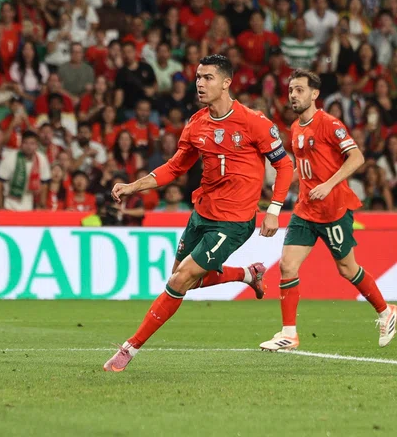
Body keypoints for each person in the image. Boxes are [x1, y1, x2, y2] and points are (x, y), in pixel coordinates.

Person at [104, 54, 294, 372]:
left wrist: (273, 210)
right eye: (198, 77)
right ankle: (248, 274)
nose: (200, 83)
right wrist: (133, 186)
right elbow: (175, 167)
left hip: (233, 222)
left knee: (180, 279)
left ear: (226, 82)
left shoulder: (254, 122)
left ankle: (128, 350)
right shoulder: (196, 123)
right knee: (184, 281)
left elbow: (284, 165)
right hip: (201, 214)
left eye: (207, 77)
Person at [259, 70, 397, 351]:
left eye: (299, 90)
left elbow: (356, 156)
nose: (293, 95)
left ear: (314, 94)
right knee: (287, 265)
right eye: (291, 90)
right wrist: (280, 190)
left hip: (333, 210)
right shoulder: (296, 128)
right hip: (305, 209)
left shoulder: (329, 124)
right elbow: (303, 168)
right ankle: (289, 334)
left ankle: (386, 311)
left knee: (347, 269)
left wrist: (329, 183)